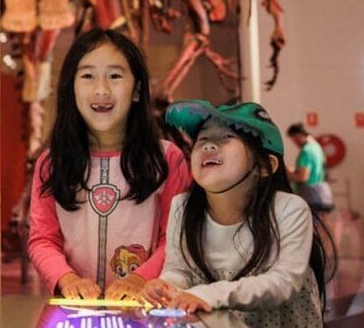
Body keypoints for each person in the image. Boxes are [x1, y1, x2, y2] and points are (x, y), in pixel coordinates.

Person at [27, 28, 190, 301]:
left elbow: (176, 238)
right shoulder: (51, 163)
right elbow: (43, 239)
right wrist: (66, 279)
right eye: (88, 76)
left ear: (137, 90)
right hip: (77, 311)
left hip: (147, 307)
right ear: (72, 88)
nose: (101, 89)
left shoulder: (167, 159)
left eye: (115, 76)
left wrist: (141, 279)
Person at [142, 101, 335, 326]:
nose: (208, 146)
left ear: (265, 165)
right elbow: (179, 270)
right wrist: (166, 285)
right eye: (202, 139)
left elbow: (283, 282)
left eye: (226, 138)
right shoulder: (182, 207)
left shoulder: (289, 209)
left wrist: (211, 294)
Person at [286, 123, 334, 215]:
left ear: (298, 135)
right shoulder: (317, 147)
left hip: (312, 196)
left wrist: (287, 173)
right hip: (324, 194)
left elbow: (302, 177)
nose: (294, 142)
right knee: (323, 226)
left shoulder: (306, 151)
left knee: (313, 227)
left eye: (294, 139)